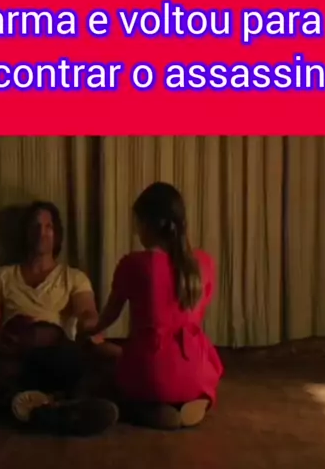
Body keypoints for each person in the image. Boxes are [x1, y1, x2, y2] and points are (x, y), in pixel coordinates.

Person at [0, 200, 119, 433]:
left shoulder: (73, 277)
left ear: (57, 235)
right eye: (35, 226)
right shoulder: (1, 276)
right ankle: (52, 409)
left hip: (57, 355)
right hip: (17, 354)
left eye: (48, 227)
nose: (41, 232)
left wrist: (89, 326)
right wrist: (1, 342)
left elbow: (87, 312)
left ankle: (40, 409)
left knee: (81, 363)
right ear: (25, 233)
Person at [83, 182, 223, 429]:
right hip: (195, 369)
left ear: (149, 224)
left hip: (151, 371)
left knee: (103, 381)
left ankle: (152, 411)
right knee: (187, 375)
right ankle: (194, 401)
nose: (137, 232)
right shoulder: (204, 264)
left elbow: (107, 318)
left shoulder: (134, 264)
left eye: (138, 224)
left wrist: (87, 328)